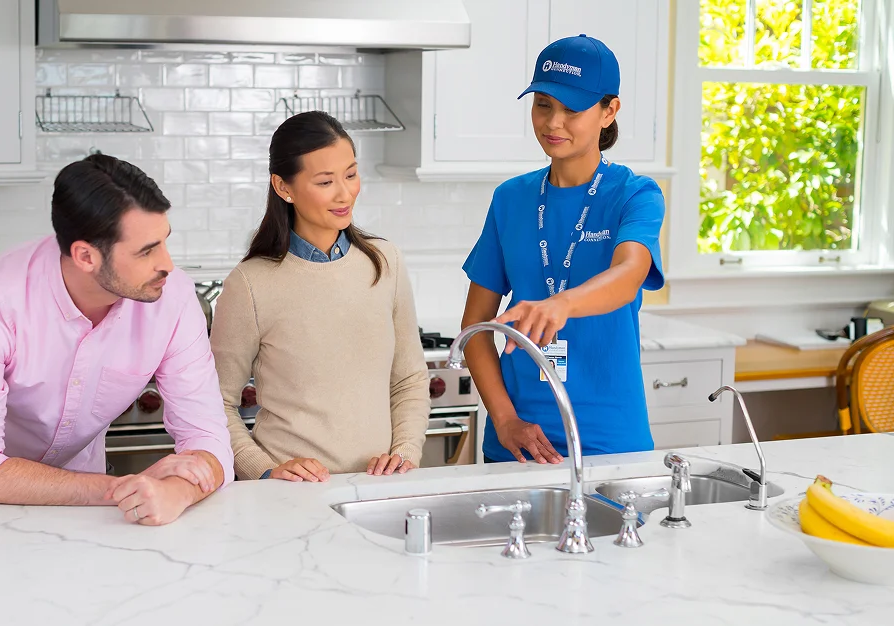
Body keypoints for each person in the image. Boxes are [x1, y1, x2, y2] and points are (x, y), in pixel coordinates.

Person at [0, 153, 233, 525]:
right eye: (146, 251)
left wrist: (177, 492)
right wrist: (121, 488)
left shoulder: (175, 298)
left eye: (164, 241)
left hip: (79, 469)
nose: (167, 263)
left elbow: (209, 438)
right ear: (85, 256)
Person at [460, 34, 665, 465]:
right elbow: (476, 330)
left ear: (609, 111)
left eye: (573, 109)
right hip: (516, 444)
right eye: (543, 104)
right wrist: (504, 421)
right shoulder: (510, 199)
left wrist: (561, 304)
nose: (554, 123)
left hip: (610, 442)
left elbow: (629, 274)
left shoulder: (635, 195)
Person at [210, 111, 430, 482]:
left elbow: (408, 377)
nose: (345, 193)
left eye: (351, 174)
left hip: (377, 488)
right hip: (291, 497)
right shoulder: (250, 284)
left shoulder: (385, 262)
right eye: (326, 181)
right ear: (284, 187)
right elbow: (215, 403)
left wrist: (405, 453)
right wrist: (264, 470)